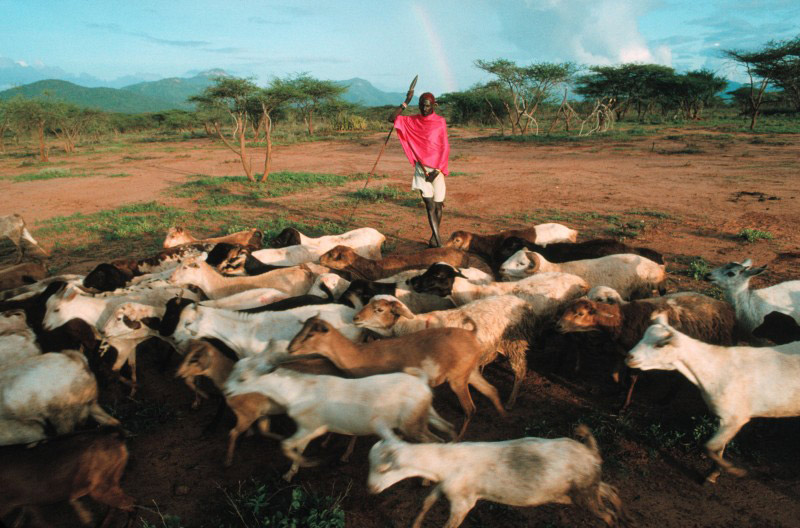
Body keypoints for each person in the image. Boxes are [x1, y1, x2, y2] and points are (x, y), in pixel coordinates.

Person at [389, 90, 450, 247]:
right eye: (422, 106)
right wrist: (406, 102)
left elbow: (444, 147)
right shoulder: (412, 121)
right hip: (421, 169)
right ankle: (438, 241)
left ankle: (433, 238)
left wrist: (437, 171)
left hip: (437, 170)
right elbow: (391, 118)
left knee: (438, 205)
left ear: (434, 106)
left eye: (428, 106)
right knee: (429, 206)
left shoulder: (440, 122)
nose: (424, 109)